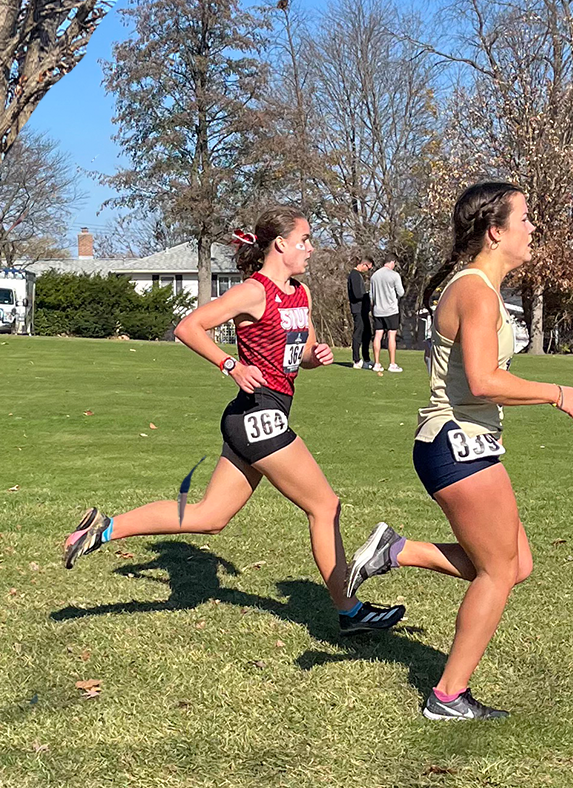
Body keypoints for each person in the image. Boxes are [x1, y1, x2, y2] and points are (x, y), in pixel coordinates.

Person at [62, 208, 409, 638]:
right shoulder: (252, 291)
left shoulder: (300, 294)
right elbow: (189, 327)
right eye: (304, 240)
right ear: (279, 244)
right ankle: (350, 609)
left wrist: (314, 358)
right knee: (325, 506)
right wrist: (231, 364)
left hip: (263, 413)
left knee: (211, 516)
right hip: (256, 413)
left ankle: (103, 529)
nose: (310, 248)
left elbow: (300, 352)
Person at [336, 182, 573, 721]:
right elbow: (481, 380)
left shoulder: (479, 290)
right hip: (457, 443)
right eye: (524, 218)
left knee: (515, 565)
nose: (531, 228)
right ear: (496, 231)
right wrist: (555, 392)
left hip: (465, 443)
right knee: (496, 573)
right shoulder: (474, 291)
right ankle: (447, 696)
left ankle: (396, 551)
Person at [369, 256, 405, 372]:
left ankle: (377, 363)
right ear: (392, 262)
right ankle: (392, 364)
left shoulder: (374, 276)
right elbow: (401, 292)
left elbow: (371, 296)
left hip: (378, 310)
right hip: (391, 310)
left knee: (378, 335)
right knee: (391, 335)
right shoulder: (394, 275)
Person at [347, 258, 375, 370]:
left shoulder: (358, 275)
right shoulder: (354, 275)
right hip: (358, 309)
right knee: (358, 333)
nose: (367, 271)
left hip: (363, 309)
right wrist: (368, 295)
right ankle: (356, 359)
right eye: (368, 268)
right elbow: (357, 294)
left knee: (367, 333)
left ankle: (366, 358)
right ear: (364, 264)